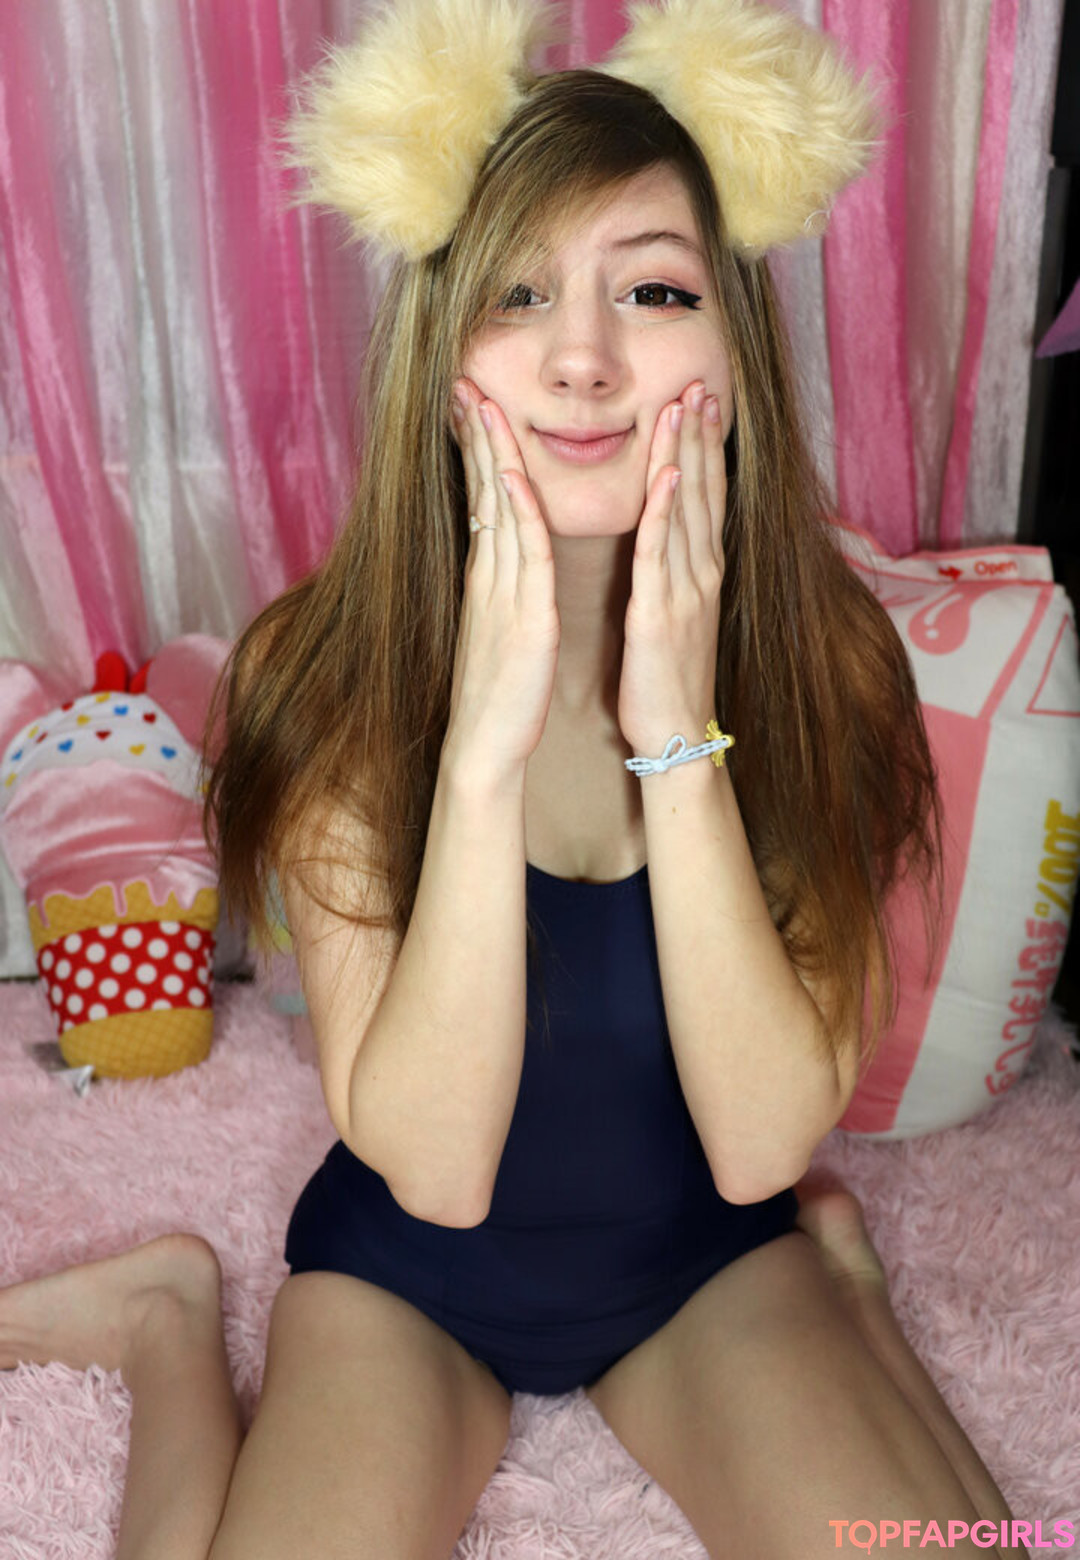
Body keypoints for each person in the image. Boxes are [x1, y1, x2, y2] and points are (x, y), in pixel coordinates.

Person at [0, 2, 1030, 1556]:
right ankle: (164, 1318)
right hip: (413, 1273)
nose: (584, 359)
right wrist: (477, 759)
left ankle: (849, 1292)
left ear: (738, 353)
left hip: (706, 1255)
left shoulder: (831, 670)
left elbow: (764, 1143)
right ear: (439, 360)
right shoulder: (328, 680)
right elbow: (433, 1165)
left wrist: (676, 731)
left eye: (655, 289)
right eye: (519, 292)